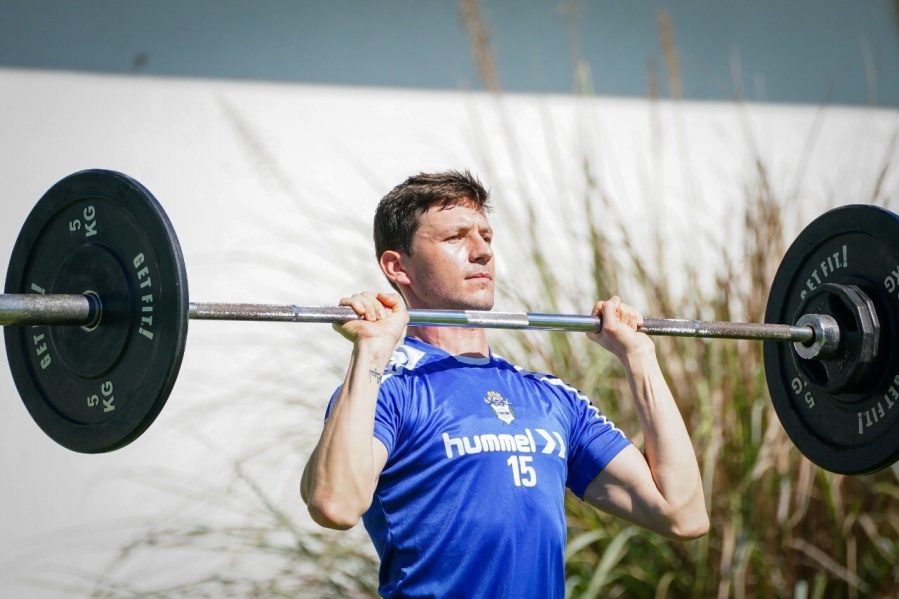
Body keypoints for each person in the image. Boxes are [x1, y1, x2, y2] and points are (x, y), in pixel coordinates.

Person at [301, 170, 709, 597]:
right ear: (397, 266)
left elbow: (683, 514)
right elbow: (335, 505)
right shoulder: (389, 388)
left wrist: (640, 357)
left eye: (487, 237)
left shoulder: (552, 398)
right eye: (456, 237)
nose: (481, 252)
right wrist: (371, 349)